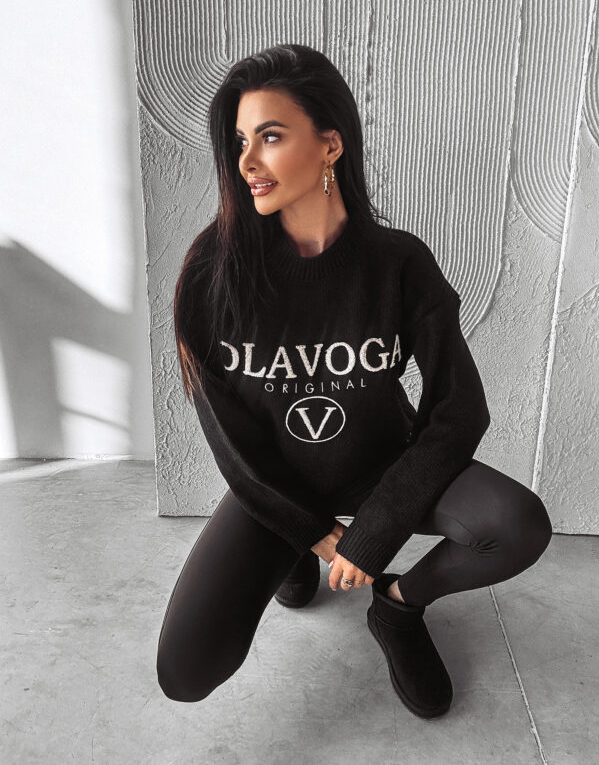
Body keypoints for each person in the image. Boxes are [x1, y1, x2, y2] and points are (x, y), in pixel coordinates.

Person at [157, 44, 552, 718]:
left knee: (517, 524)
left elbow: (459, 408)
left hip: (380, 467)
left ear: (330, 144)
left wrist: (377, 531)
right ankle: (291, 551)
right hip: (279, 482)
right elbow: (230, 435)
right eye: (241, 141)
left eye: (270, 136)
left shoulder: (398, 263)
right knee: (186, 673)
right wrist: (308, 527)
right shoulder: (213, 269)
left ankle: (398, 607)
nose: (246, 161)